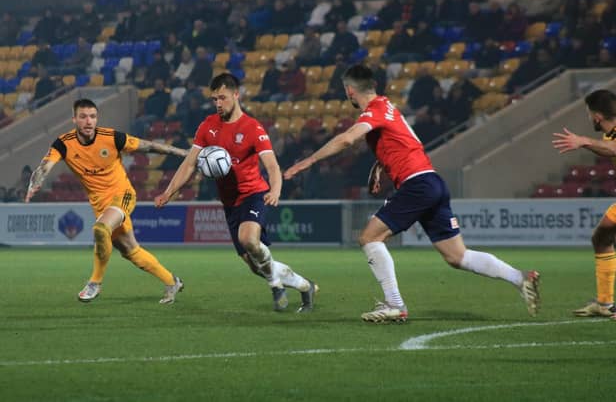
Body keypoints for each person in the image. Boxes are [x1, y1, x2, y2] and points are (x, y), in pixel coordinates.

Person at [284, 64, 540, 323]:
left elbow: (348, 139)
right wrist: (382, 166)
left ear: (350, 90)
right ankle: (520, 278)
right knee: (456, 256)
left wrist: (309, 161)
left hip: (416, 184)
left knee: (369, 238)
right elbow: (405, 144)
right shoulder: (390, 109)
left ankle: (395, 304)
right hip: (431, 182)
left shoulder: (375, 110)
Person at [154, 73, 318, 313]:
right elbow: (190, 163)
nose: (218, 103)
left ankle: (276, 286)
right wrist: (169, 191)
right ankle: (305, 286)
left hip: (254, 194)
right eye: (214, 99)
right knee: (256, 265)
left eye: (222, 97)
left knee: (249, 239)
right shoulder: (208, 126)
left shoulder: (252, 128)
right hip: (230, 203)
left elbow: (272, 165)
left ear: (236, 95)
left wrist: (276, 190)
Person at [25, 98, 187, 304]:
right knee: (131, 251)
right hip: (100, 205)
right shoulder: (64, 144)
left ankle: (95, 283)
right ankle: (172, 281)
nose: (88, 121)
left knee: (100, 229)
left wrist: (183, 153)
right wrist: (34, 184)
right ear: (74, 119)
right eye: (83, 117)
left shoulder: (111, 137)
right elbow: (44, 167)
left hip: (123, 195)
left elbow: (148, 146)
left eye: (92, 116)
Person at [552, 89, 616, 320]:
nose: (589, 119)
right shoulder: (611, 134)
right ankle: (606, 303)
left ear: (597, 116)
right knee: (601, 238)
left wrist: (583, 141)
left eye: (589, 114)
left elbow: (613, 149)